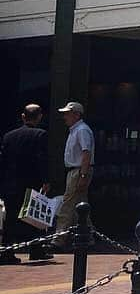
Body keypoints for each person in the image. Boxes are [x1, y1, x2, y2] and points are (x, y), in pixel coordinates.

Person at [0, 104, 51, 264]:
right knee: (35, 216)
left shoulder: (9, 136)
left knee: (11, 218)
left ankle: (7, 252)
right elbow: (41, 159)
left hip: (11, 183)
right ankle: (36, 250)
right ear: (39, 117)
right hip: (31, 182)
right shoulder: (40, 135)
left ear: (23, 116)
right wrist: (46, 180)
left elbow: (3, 161)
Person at [56, 101, 94, 246]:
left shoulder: (82, 130)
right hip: (76, 170)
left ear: (77, 115)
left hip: (78, 170)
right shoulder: (75, 130)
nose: (65, 116)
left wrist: (83, 175)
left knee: (68, 204)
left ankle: (58, 239)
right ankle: (88, 236)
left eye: (67, 113)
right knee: (80, 206)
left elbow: (86, 153)